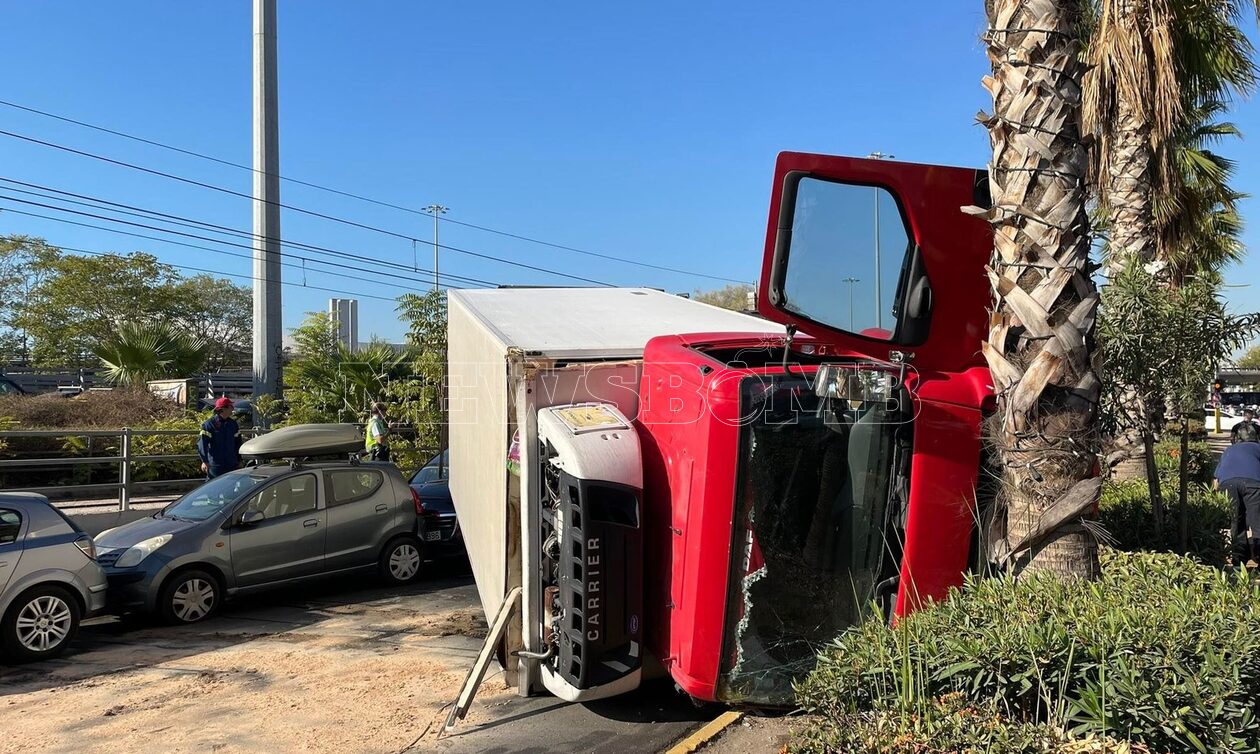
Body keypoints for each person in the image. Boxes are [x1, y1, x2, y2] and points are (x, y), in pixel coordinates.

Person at [1214, 439, 1260, 567]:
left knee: (1236, 521)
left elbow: (1216, 480)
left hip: (1227, 483)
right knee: (1257, 522)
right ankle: (1257, 555)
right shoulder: (1258, 447)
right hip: (1253, 484)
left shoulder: (1229, 450)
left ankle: (1238, 559)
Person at [197, 397, 243, 479]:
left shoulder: (233, 424)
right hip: (215, 464)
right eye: (230, 406)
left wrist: (239, 460)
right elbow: (202, 444)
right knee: (214, 487)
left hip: (231, 463)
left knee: (230, 487)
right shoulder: (209, 425)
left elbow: (238, 443)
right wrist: (204, 461)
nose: (232, 409)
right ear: (223, 409)